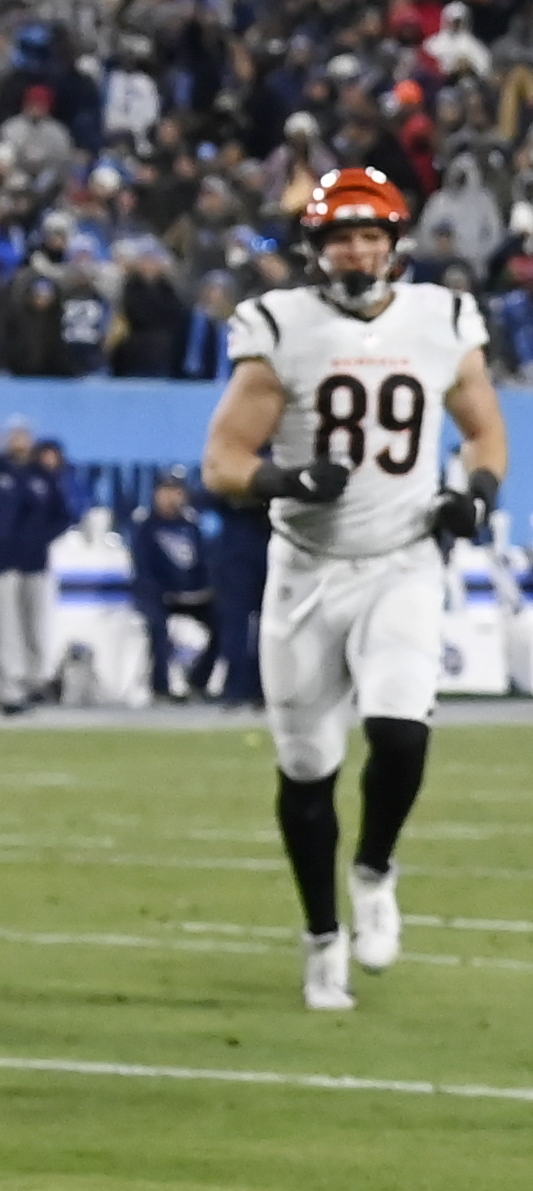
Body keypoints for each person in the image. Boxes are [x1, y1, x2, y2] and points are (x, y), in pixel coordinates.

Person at [201, 166, 508, 1012]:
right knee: (307, 771)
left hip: (403, 560)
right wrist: (290, 479)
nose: (359, 250)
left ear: (395, 242)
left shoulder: (441, 316)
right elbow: (223, 461)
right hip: (306, 571)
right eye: (342, 236)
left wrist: (474, 495)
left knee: (401, 732)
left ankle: (374, 868)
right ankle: (320, 940)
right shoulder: (280, 325)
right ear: (315, 247)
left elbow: (484, 430)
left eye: (371, 235)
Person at [0, 415, 72, 713]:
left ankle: (34, 680)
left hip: (35, 561)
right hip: (3, 561)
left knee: (34, 623)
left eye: (24, 435)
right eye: (15, 435)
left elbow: (63, 515)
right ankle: (10, 685)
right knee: (7, 625)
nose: (19, 441)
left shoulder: (41, 476)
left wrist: (40, 538)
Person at [127, 467, 218, 700]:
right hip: (157, 596)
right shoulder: (145, 525)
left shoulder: (191, 524)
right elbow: (143, 568)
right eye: (166, 490)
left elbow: (202, 563)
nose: (171, 497)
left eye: (177, 491)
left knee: (224, 621)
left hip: (190, 596)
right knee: (158, 626)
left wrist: (202, 589)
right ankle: (161, 688)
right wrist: (163, 592)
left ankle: (198, 681)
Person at [208, 490, 269, 708]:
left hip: (267, 544)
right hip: (238, 549)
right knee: (236, 626)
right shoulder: (231, 458)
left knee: (270, 626)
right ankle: (237, 688)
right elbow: (212, 494)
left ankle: (262, 687)